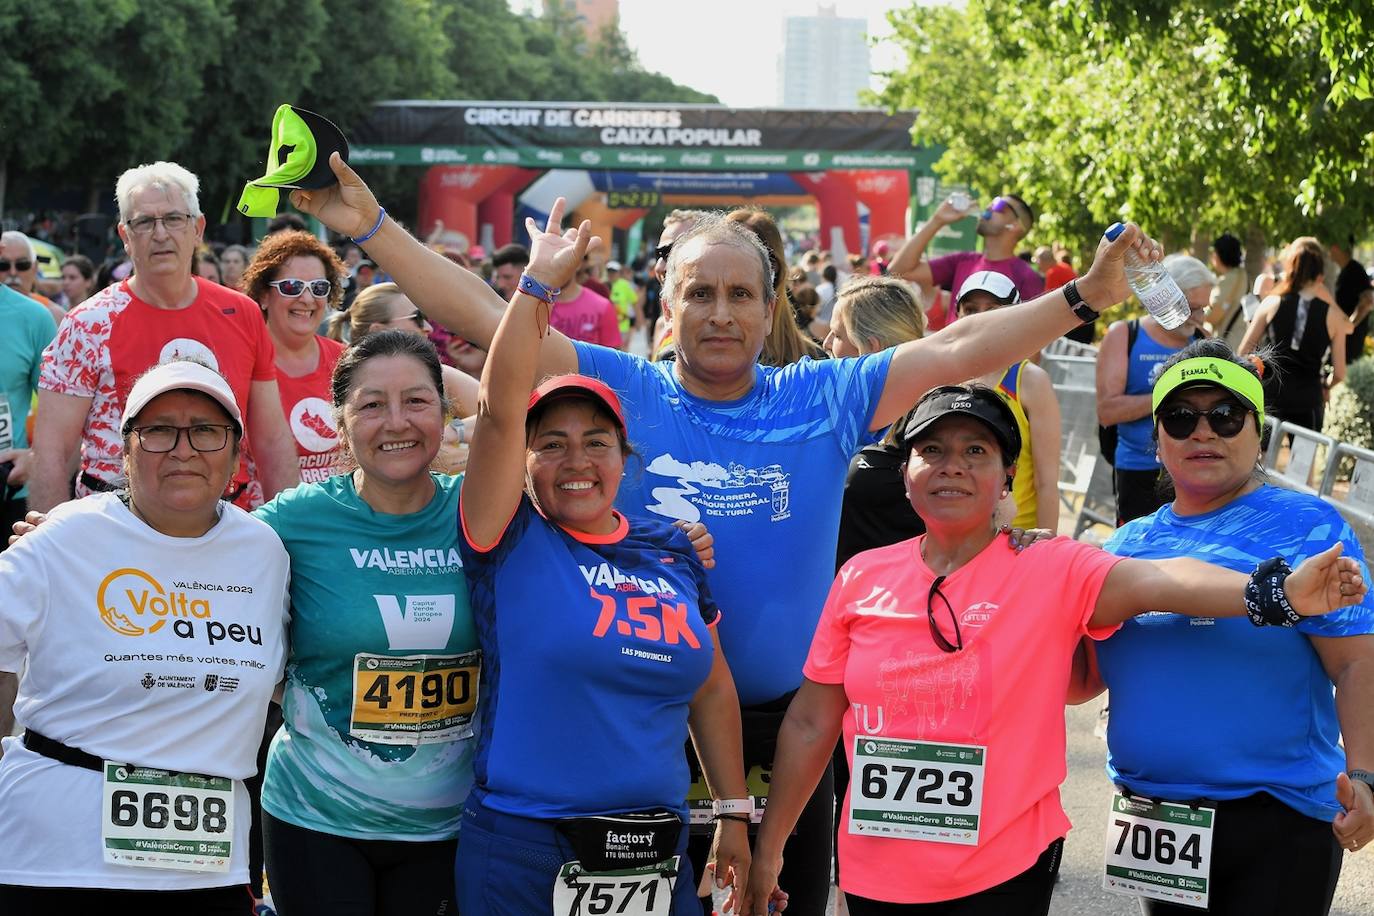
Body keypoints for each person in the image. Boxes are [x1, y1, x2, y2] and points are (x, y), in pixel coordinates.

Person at [287, 150, 1163, 916]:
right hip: (646, 726)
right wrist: (369, 225)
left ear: (771, 302)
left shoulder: (821, 397)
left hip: (789, 731)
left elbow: (959, 346)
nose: (719, 312)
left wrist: (1082, 297)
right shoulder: (624, 387)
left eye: (740, 293)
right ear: (666, 305)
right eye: (698, 293)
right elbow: (488, 315)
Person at [735, 383, 1365, 916]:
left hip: (1005, 870)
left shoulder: (1053, 565)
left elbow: (1158, 583)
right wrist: (770, 851)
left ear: (1007, 475)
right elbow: (813, 720)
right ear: (905, 475)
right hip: (879, 871)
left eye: (975, 451)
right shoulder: (861, 577)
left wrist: (1273, 591)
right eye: (931, 450)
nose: (951, 465)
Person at [454, 200, 749, 914]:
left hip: (656, 852)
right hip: (528, 848)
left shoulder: (673, 547)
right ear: (523, 464)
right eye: (550, 443)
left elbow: (710, 688)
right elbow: (497, 411)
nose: (575, 460)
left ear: (625, 460)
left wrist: (733, 814)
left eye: (596, 442)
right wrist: (537, 287)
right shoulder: (508, 535)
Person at [1094, 338, 1374, 915]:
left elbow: (1355, 662)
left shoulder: (1309, 526)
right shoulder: (1127, 542)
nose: (1203, 433)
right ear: (1158, 437)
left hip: (1277, 811)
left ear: (1258, 430)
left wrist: (1366, 776)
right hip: (1154, 815)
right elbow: (1080, 671)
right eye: (1180, 417)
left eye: (1224, 416)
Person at [0, 359, 290, 914]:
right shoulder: (68, 535)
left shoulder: (264, 552)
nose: (183, 449)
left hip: (206, 870)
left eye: (206, 430)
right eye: (158, 431)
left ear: (235, 453)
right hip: (55, 859)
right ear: (124, 451)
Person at [255, 330, 477, 916]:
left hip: (447, 825)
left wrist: (666, 543)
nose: (396, 422)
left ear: (445, 411)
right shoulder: (298, 518)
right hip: (314, 814)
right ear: (339, 422)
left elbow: (583, 523)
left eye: (417, 401)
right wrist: (75, 533)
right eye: (372, 404)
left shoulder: (482, 511)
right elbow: (189, 543)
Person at [30, 161, 300, 513]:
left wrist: (293, 540)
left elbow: (272, 441)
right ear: (125, 236)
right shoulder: (87, 324)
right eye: (144, 222)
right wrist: (50, 550)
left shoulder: (243, 313)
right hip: (118, 527)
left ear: (198, 228)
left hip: (226, 523)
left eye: (174, 219)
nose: (160, 234)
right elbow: (53, 452)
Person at [1096, 254, 1212, 525]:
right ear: (1164, 297)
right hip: (1137, 470)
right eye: (1192, 308)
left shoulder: (1203, 341)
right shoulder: (1125, 335)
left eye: (1204, 309)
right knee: (1136, 558)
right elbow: (1107, 411)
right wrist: (1169, 396)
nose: (1199, 318)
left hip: (1192, 472)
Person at [240, 230, 350, 485]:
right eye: (292, 287)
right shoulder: (240, 364)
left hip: (341, 517)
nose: (307, 298)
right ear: (264, 296)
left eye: (319, 287)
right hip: (266, 517)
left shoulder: (347, 362)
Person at [954, 271, 1061, 530]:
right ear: (957, 316)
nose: (981, 318)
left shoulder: (1031, 381)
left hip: (1014, 540)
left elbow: (1047, 482)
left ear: (1015, 315)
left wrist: (1045, 552)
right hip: (953, 538)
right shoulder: (941, 377)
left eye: (993, 309)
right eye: (971, 309)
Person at [325, 281, 478, 423]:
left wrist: (456, 432)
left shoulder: (440, 376)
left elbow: (498, 417)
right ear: (379, 331)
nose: (428, 328)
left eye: (416, 400)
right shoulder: (341, 384)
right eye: (417, 318)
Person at [888, 193, 1046, 330]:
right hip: (952, 360)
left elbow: (1033, 338)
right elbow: (899, 270)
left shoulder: (1027, 276)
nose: (989, 208)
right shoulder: (962, 261)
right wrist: (937, 220)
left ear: (1016, 225)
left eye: (999, 205)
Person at [1239, 237, 1348, 431]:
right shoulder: (1333, 316)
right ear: (1320, 276)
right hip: (1309, 399)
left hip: (1271, 394)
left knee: (1261, 457)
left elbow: (1243, 351)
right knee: (1302, 461)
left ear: (1289, 270)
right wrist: (1326, 386)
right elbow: (1340, 373)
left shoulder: (1271, 303)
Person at [1, 231, 64, 325]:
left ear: (34, 268)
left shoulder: (55, 317)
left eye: (22, 265)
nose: (13, 272)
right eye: (3, 265)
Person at [1330, 236, 1373, 362]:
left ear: (1337, 247)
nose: (1329, 250)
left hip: (1351, 341)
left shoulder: (1355, 270)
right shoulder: (1347, 270)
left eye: (1331, 246)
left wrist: (1349, 325)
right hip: (1344, 337)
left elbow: (1368, 301)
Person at [1209, 233, 1249, 347]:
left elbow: (1213, 317)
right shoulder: (1244, 276)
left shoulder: (1226, 281)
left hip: (1228, 344)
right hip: (1242, 340)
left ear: (1219, 255)